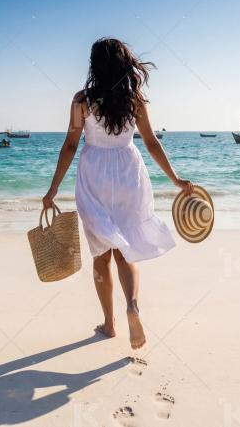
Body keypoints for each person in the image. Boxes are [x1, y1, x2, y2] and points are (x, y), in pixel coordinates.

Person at [42, 38, 193, 349]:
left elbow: (70, 145)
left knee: (101, 256)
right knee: (127, 250)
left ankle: (109, 324)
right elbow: (151, 143)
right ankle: (132, 307)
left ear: (94, 66)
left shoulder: (82, 101)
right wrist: (175, 178)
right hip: (128, 174)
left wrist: (53, 188)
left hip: (94, 177)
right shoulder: (135, 100)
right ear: (125, 65)